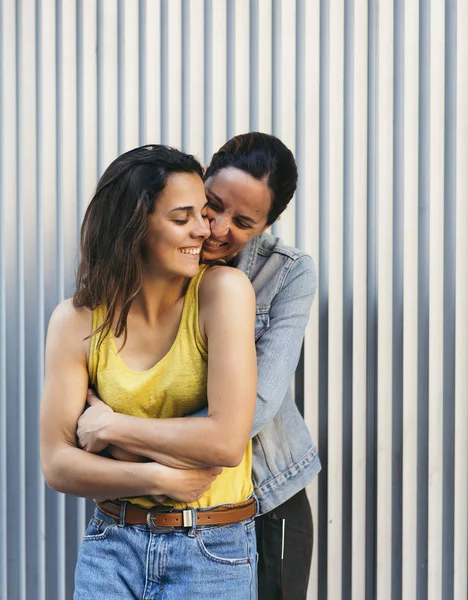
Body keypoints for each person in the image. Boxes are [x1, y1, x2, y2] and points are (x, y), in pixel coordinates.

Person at [83, 132, 321, 599]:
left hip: (268, 496)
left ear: (267, 225)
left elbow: (254, 406)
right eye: (212, 202)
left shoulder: (287, 273)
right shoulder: (151, 263)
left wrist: (120, 440)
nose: (215, 228)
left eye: (243, 222)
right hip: (154, 512)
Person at [40, 145, 259, 599]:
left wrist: (111, 427)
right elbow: (58, 465)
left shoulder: (223, 293)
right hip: (111, 546)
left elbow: (225, 441)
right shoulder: (76, 321)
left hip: (211, 551)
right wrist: (157, 478)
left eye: (203, 213)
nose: (205, 230)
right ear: (133, 225)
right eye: (183, 219)